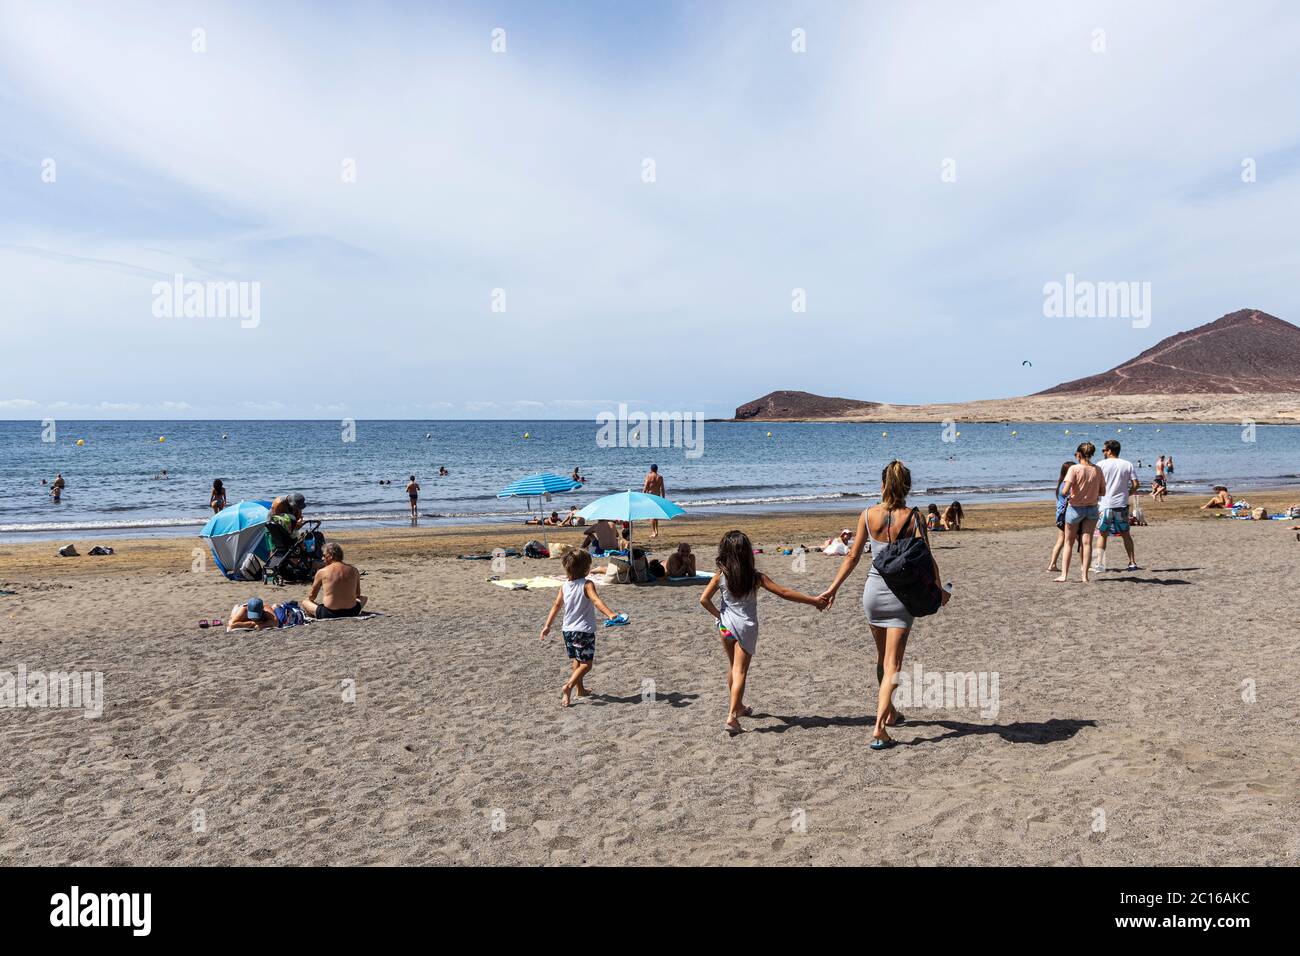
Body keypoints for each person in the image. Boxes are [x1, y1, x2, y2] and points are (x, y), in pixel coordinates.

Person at [817, 460, 950, 750]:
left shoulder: (867, 515)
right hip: (901, 596)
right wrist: (939, 589)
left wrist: (832, 588)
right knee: (894, 663)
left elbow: (852, 557)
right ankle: (879, 728)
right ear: (907, 487)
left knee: (882, 660)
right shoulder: (913, 518)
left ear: (882, 485)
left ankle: (889, 712)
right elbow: (926, 558)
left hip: (873, 594)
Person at [700, 530, 827, 736]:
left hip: (725, 627)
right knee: (741, 672)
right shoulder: (755, 577)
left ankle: (738, 706)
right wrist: (813, 601)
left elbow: (704, 600)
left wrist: (720, 615)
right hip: (745, 628)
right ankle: (732, 717)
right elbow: (784, 593)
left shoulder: (720, 576)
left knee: (733, 668)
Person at [540, 549, 620, 707]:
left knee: (577, 659)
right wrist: (611, 614)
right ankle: (568, 687)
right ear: (586, 568)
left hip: (567, 630)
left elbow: (556, 605)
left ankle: (580, 690)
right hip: (583, 630)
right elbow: (596, 601)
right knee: (587, 664)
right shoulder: (587, 584)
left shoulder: (565, 586)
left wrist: (547, 626)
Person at [1055, 442, 1104, 583]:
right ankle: (1085, 576)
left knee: (1068, 542)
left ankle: (1064, 575)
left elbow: (1064, 491)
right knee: (1087, 542)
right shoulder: (1097, 470)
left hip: (1075, 507)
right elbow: (1103, 491)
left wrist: (1073, 492)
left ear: (1079, 454)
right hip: (1092, 508)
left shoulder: (1074, 469)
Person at [1095, 440, 1140, 571]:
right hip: (1121, 503)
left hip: (1105, 504)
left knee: (1102, 534)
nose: (1103, 452)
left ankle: (1099, 564)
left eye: (1104, 450)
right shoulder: (1127, 464)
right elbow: (1136, 484)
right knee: (1126, 533)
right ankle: (1132, 562)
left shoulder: (1100, 465)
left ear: (1109, 451)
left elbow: (1095, 483)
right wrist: (1127, 493)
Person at [301, 543, 367, 619]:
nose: (322, 558)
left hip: (329, 613)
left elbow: (312, 596)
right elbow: (357, 594)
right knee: (364, 598)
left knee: (305, 602)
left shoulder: (322, 572)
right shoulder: (354, 570)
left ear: (331, 556)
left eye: (324, 555)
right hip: (352, 611)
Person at [1047, 461, 1074, 572]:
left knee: (1061, 540)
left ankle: (1052, 564)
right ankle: (1087, 564)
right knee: (1082, 540)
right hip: (1066, 516)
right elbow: (1071, 498)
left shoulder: (1060, 484)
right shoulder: (1067, 485)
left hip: (1060, 516)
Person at [643, 464, 665, 537]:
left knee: (651, 515)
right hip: (658, 497)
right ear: (657, 469)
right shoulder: (660, 477)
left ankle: (653, 532)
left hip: (650, 497)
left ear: (651, 469)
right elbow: (662, 489)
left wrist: (643, 496)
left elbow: (645, 488)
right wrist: (663, 498)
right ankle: (656, 531)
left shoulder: (649, 476)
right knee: (656, 515)